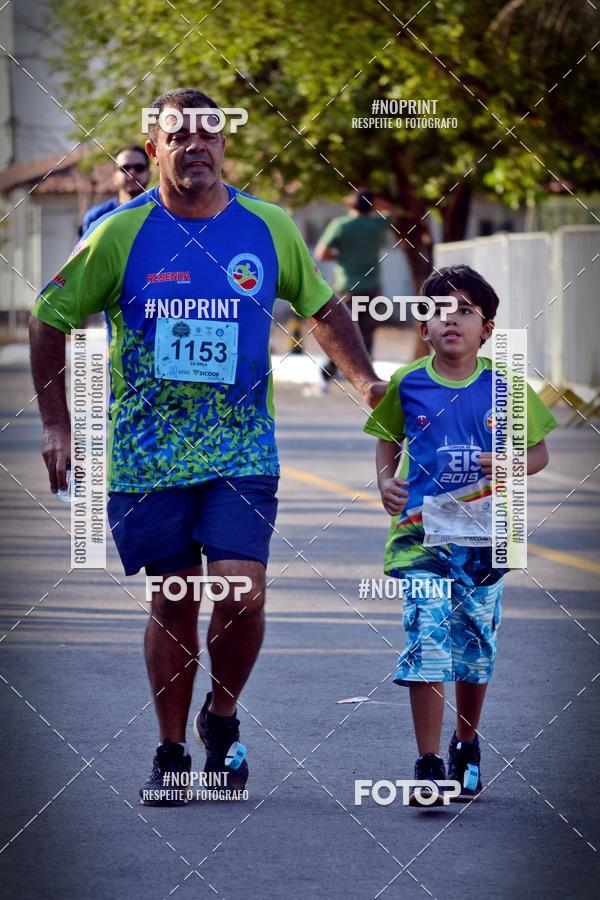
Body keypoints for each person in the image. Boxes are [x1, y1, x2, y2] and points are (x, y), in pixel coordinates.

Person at [29, 87, 386, 806]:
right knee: (175, 600)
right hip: (148, 454)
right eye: (179, 135)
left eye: (209, 134)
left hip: (240, 448)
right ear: (154, 149)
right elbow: (49, 316)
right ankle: (170, 751)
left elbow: (321, 306)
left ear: (225, 145)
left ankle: (220, 721)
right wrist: (57, 425)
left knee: (241, 593)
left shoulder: (268, 225)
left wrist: (366, 382)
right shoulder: (120, 233)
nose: (196, 145)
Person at [363, 265, 557, 807]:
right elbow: (387, 437)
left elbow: (540, 453)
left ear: (487, 329)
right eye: (438, 311)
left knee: (474, 647)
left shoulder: (506, 385)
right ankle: (427, 764)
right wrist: (386, 481)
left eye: (465, 311)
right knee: (427, 642)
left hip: (487, 538)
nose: (451, 320)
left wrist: (511, 464)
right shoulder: (408, 383)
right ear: (423, 327)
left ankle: (466, 745)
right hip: (421, 537)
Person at [310, 190, 394, 394]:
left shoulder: (341, 225)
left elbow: (321, 253)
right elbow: (392, 211)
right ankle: (368, 382)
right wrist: (376, 201)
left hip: (348, 287)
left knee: (342, 333)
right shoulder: (376, 224)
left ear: (351, 204)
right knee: (367, 334)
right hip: (371, 287)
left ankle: (326, 376)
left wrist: (340, 256)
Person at [79, 145, 150, 235]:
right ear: (114, 176)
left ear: (149, 173)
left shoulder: (162, 213)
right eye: (125, 168)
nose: (131, 172)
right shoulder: (96, 217)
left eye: (139, 168)